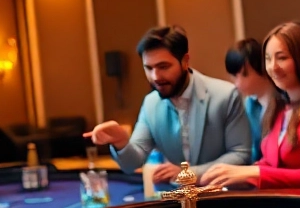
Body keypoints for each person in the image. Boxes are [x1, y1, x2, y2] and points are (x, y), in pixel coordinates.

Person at [86, 25, 251, 181]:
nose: (155, 76)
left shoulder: (225, 95)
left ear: (185, 61)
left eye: (163, 66)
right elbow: (131, 164)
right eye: (148, 68)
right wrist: (121, 142)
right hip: (176, 202)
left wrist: (187, 174)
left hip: (223, 197)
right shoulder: (151, 104)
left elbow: (240, 154)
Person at [202, 21, 300, 190]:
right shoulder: (279, 104)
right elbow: (270, 163)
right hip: (282, 205)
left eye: (282, 58)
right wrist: (231, 177)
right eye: (268, 59)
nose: (272, 67)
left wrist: (251, 173)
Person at [224, 38, 277, 163]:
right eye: (234, 76)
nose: (237, 83)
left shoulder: (283, 102)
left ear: (262, 69)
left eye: (244, 75)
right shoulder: (250, 103)